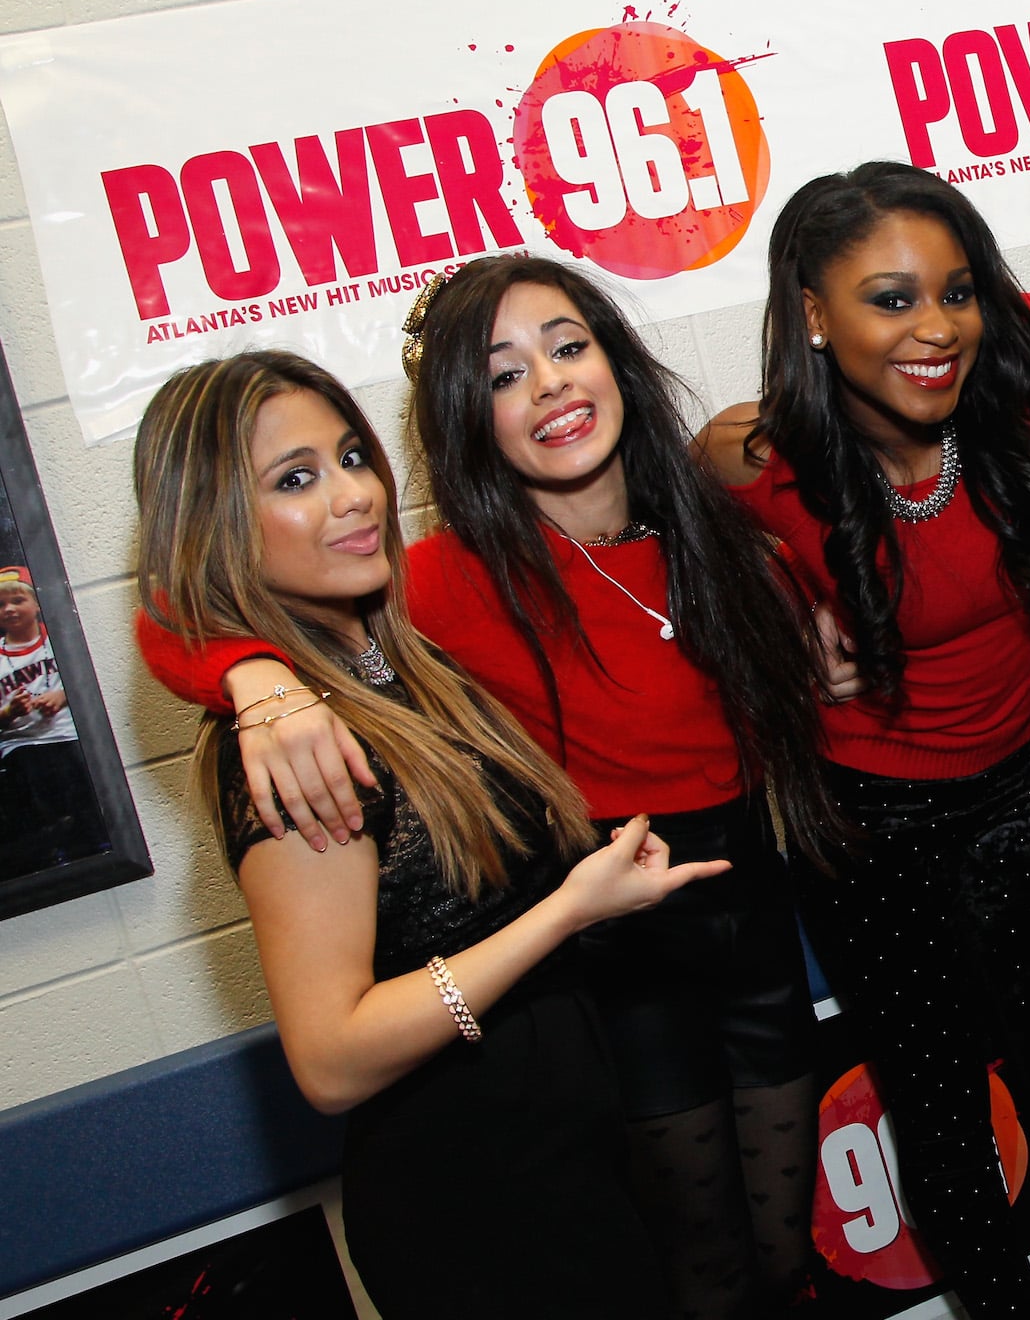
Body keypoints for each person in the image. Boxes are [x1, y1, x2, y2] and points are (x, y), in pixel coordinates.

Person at [136, 256, 836, 1317]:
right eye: (507, 374)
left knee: (786, 1261)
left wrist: (828, 635)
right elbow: (180, 610)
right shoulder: (437, 582)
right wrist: (253, 677)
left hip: (752, 925)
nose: (551, 384)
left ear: (614, 358)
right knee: (701, 1277)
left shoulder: (712, 533)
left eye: (569, 347)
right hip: (611, 959)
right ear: (472, 415)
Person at [697, 161, 1030, 1319]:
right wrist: (778, 598)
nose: (936, 326)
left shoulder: (1017, 400)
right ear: (814, 315)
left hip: (1028, 790)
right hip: (870, 830)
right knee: (948, 1123)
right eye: (891, 299)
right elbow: (694, 465)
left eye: (955, 292)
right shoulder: (769, 466)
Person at [0, 566, 102, 877]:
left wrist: (61, 695)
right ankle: (57, 851)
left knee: (84, 787)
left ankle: (92, 841)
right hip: (22, 743)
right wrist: (10, 711)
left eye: (18, 600)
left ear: (36, 605)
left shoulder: (60, 639)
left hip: (66, 734)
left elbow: (90, 680)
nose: (9, 609)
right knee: (37, 785)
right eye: (1, 605)